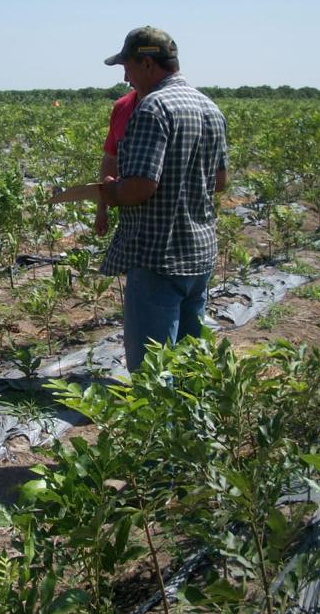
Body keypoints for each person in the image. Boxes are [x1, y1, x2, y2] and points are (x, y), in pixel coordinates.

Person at [97, 27, 228, 371]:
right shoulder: (210, 108)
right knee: (189, 363)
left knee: (153, 370)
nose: (125, 76)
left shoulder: (153, 108)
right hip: (199, 254)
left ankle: (158, 426)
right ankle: (189, 425)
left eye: (128, 65)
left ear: (149, 63)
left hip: (159, 258)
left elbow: (140, 187)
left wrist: (110, 191)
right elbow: (220, 181)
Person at [95, 89, 138, 236]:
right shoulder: (123, 106)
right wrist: (102, 208)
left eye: (128, 69)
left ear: (148, 66)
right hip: (130, 223)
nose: (125, 78)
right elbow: (110, 159)